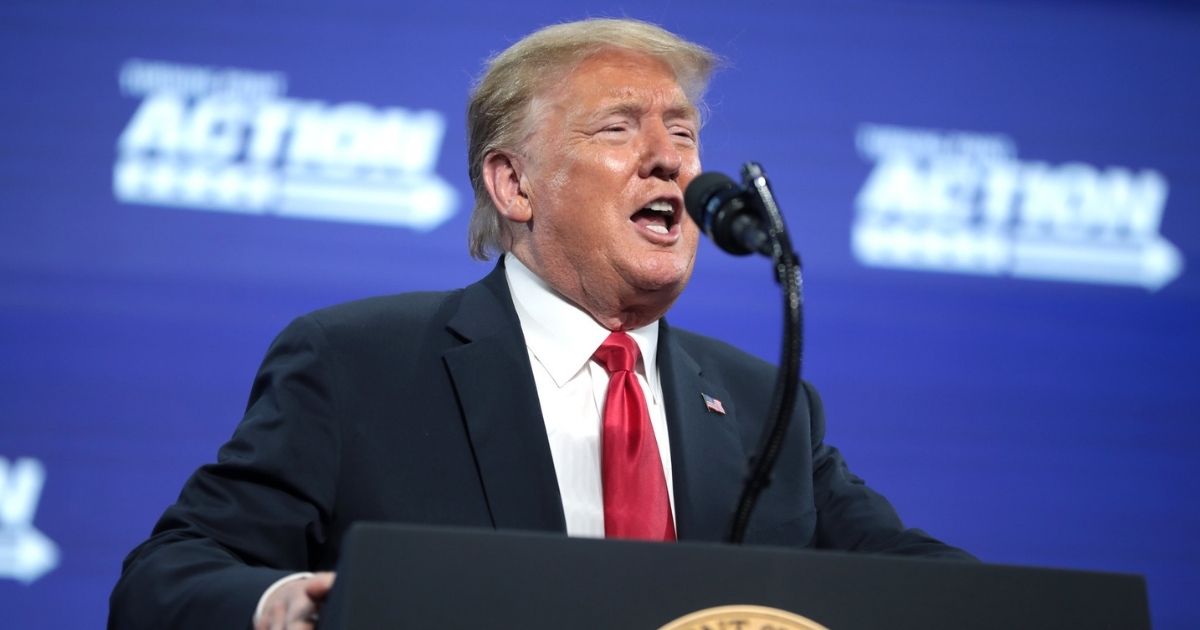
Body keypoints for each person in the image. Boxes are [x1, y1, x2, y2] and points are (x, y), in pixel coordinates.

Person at [109, 17, 972, 630]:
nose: (669, 156)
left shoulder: (763, 406)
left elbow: (914, 582)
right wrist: (279, 605)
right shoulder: (356, 365)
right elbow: (165, 580)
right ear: (513, 185)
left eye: (682, 131)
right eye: (618, 129)